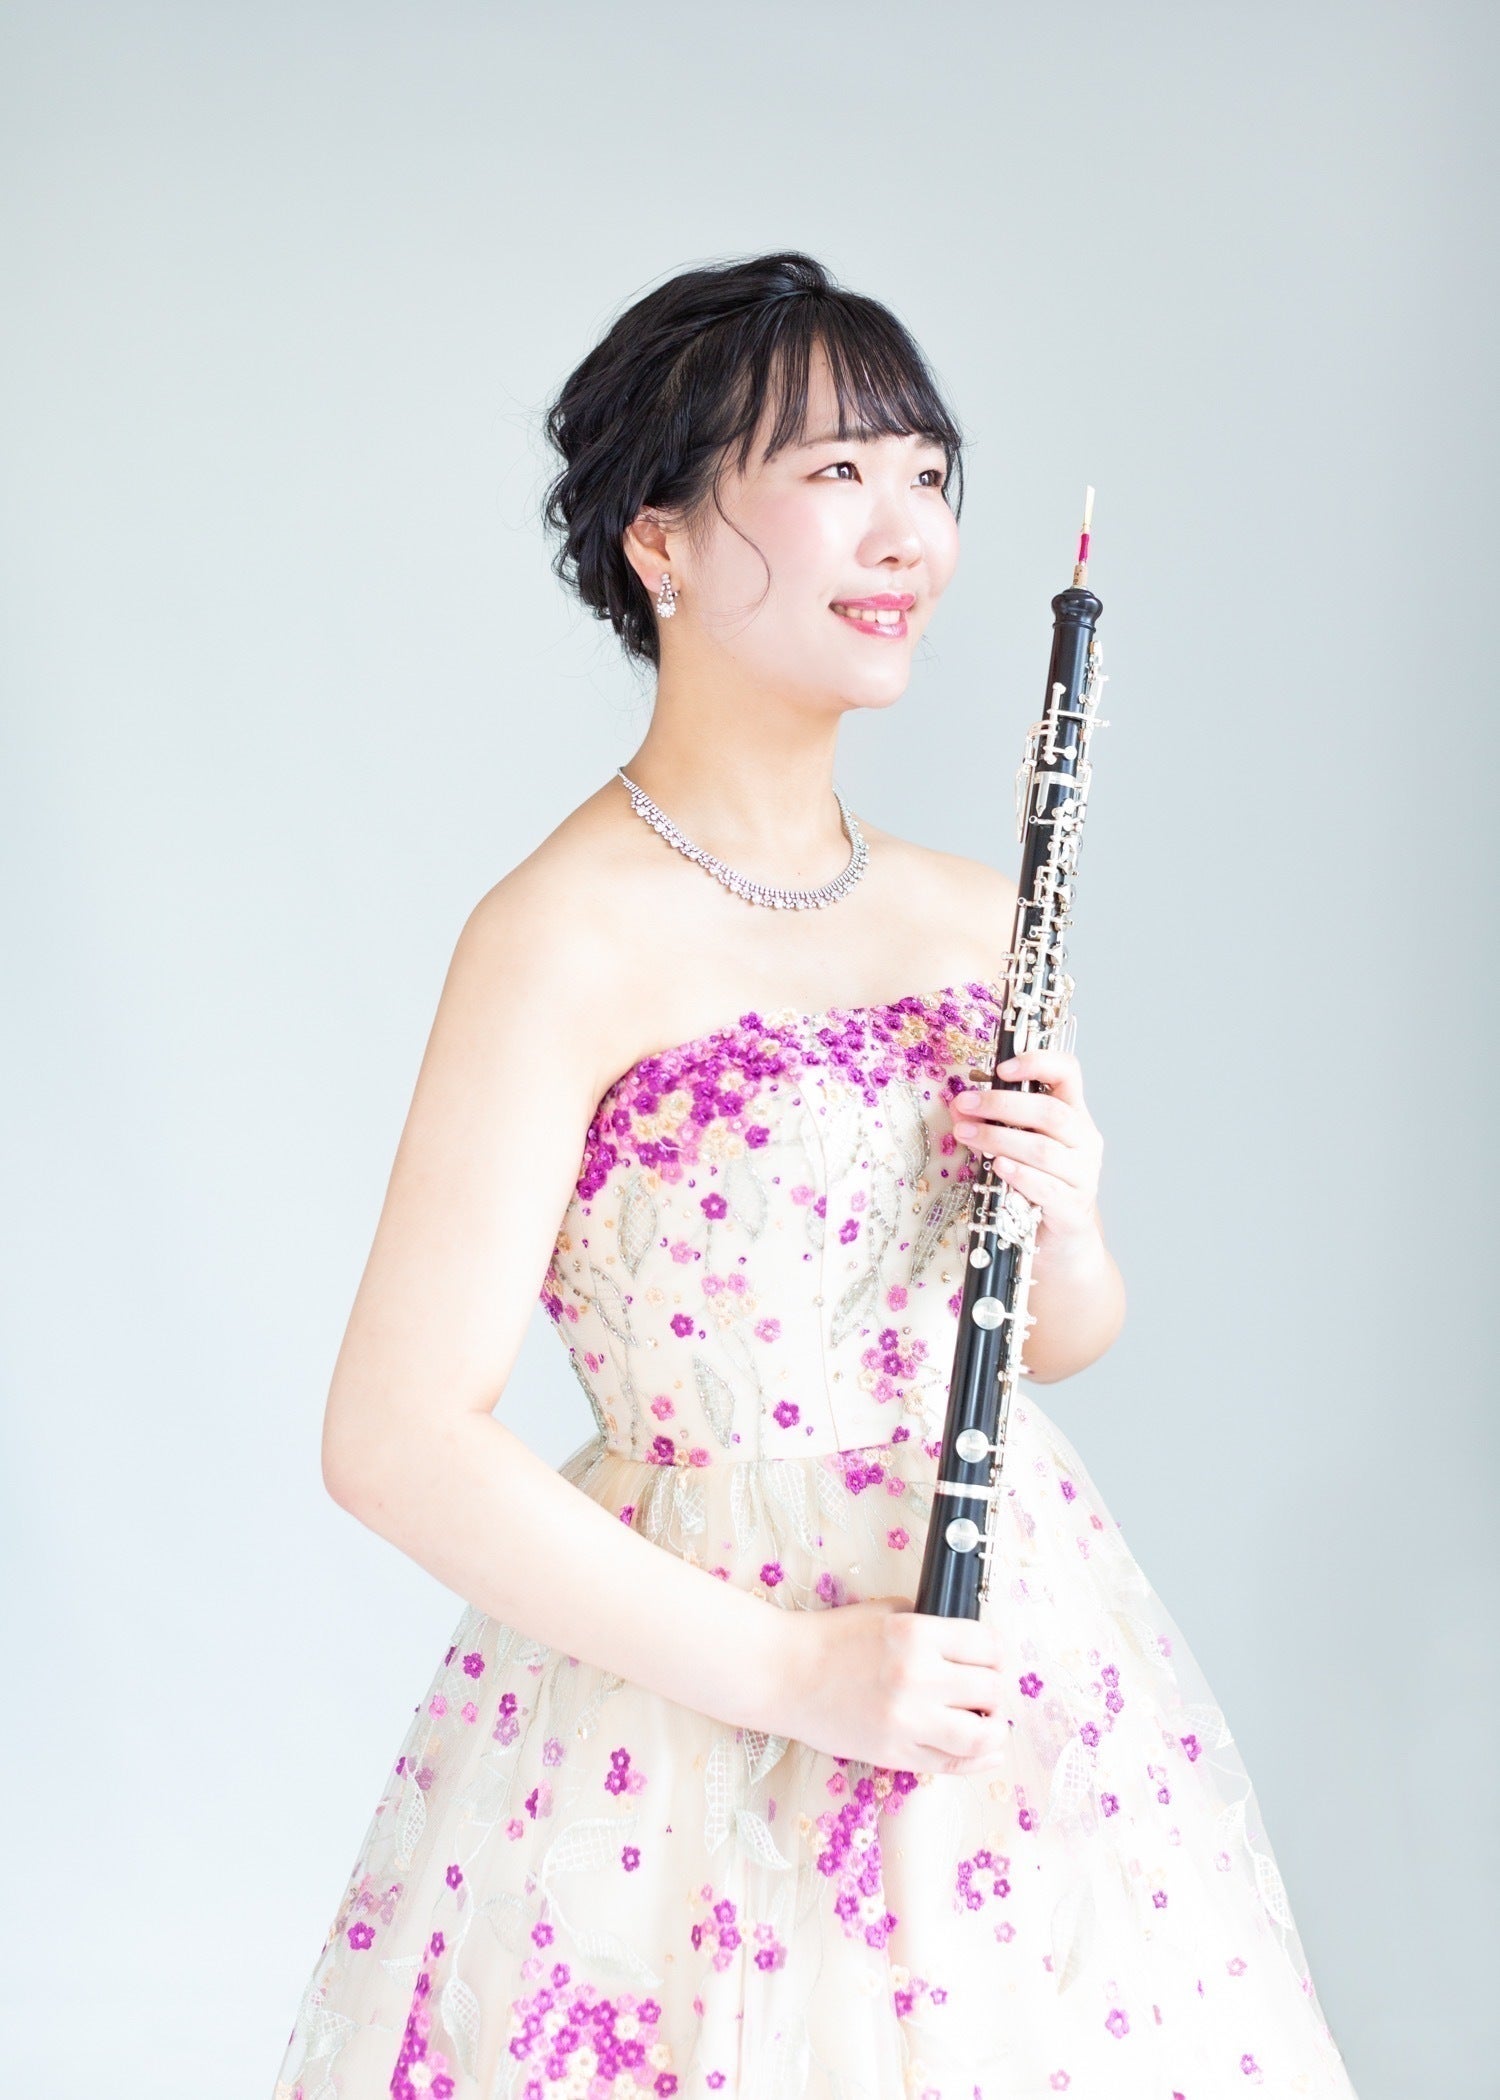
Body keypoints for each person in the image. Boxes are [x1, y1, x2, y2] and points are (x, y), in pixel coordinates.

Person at [273, 251, 1358, 2098]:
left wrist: (1068, 1211)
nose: (907, 531)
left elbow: (1055, 1339)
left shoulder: (973, 914)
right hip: (698, 1706)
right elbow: (391, 1435)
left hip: (991, 1665)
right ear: (660, 540)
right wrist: (795, 1676)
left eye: (928, 474)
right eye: (836, 471)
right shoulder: (560, 936)